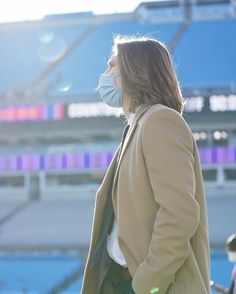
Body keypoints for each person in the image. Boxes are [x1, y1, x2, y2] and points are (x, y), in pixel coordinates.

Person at [81, 35, 211, 294]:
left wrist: (148, 282)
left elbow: (179, 213)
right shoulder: (138, 124)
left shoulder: (159, 120)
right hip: (120, 278)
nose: (105, 73)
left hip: (145, 285)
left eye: (112, 65)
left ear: (135, 71)